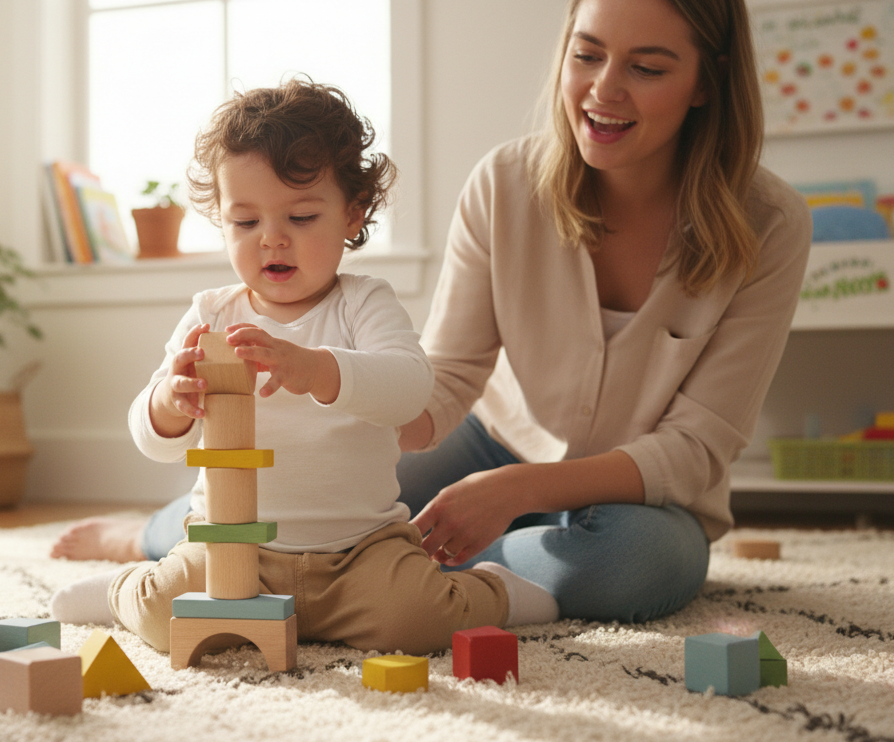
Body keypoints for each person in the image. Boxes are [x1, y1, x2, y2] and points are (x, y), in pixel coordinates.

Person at [53, 0, 812, 626]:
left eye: (646, 67)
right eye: (586, 55)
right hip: (486, 440)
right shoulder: (506, 185)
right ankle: (158, 538)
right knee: (299, 488)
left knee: (643, 566)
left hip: (635, 492)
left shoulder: (769, 223)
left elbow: (696, 448)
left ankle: (415, 578)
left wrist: (517, 493)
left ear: (706, 82)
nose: (602, 91)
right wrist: (349, 422)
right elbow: (439, 382)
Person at [49, 79, 536, 656]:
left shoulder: (363, 301)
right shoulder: (212, 312)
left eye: (301, 217)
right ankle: (125, 589)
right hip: (234, 550)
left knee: (415, 622)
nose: (272, 240)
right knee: (167, 617)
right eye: (245, 223)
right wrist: (170, 404)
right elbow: (152, 439)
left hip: (360, 550)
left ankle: (497, 590)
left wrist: (317, 370)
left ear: (353, 213)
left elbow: (410, 388)